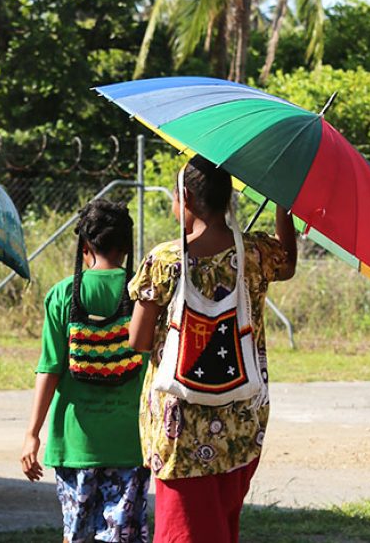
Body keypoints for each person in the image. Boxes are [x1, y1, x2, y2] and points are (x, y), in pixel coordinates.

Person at [126, 155, 297, 543]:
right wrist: (283, 206)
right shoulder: (254, 254)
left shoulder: (165, 259)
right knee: (221, 526)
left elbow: (137, 341)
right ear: (228, 200)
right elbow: (286, 264)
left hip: (180, 427)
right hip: (239, 424)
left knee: (182, 532)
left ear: (185, 197)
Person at [20, 199, 150, 543]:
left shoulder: (63, 295)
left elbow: (49, 368)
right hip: (131, 443)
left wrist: (33, 433)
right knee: (123, 536)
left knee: (75, 535)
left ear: (86, 245)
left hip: (75, 444)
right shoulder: (146, 293)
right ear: (126, 245)